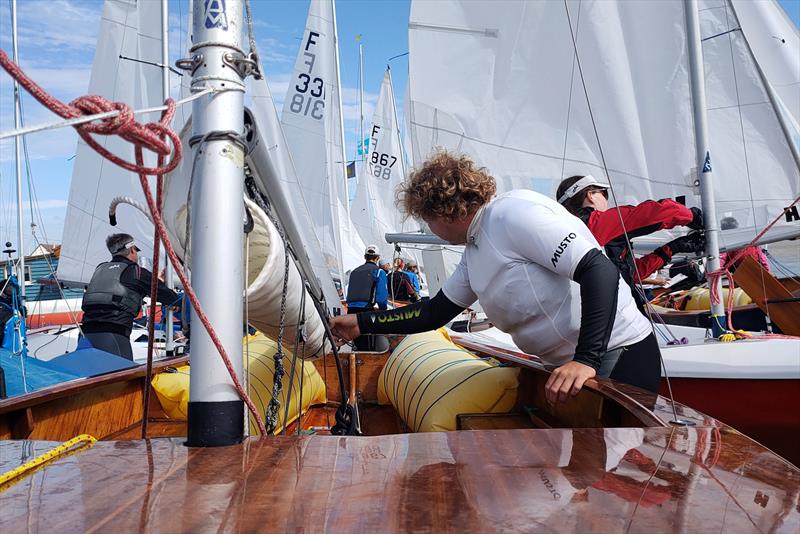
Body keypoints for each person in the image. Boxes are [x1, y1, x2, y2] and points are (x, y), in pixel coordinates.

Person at [330, 151, 662, 401]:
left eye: (426, 219)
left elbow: (598, 270)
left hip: (617, 355)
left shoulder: (511, 215)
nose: (429, 229)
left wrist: (585, 360)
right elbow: (435, 312)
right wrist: (363, 324)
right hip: (572, 367)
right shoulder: (475, 248)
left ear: (442, 211)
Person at [556, 175, 705, 308]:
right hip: (618, 313)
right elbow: (653, 213)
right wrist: (693, 216)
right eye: (604, 194)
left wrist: (672, 248)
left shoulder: (567, 233)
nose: (606, 200)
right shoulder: (596, 223)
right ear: (590, 196)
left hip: (592, 311)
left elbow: (631, 273)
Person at [81, 233, 179, 360]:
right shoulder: (136, 272)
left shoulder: (100, 269)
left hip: (85, 334)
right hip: (113, 336)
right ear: (132, 250)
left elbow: (121, 289)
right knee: (123, 376)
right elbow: (171, 298)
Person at [345, 244, 389, 351]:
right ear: (377, 258)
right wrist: (383, 310)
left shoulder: (354, 271)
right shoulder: (379, 272)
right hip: (365, 311)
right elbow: (381, 298)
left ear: (365, 257)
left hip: (350, 311)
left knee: (357, 343)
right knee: (368, 346)